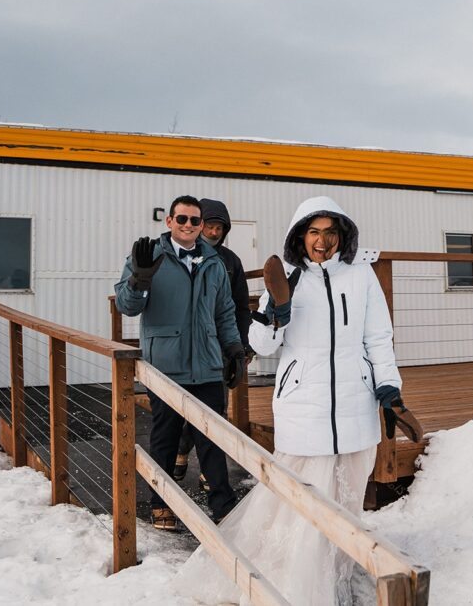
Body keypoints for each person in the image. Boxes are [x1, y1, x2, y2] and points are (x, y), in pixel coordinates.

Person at [178, 196, 421, 605]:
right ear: (300, 236)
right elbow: (260, 344)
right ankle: (299, 586)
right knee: (303, 502)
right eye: (313, 232)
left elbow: (378, 337)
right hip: (302, 403)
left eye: (330, 232)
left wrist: (388, 387)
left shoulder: (361, 276)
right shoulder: (286, 276)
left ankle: (338, 575)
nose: (322, 241)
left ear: (342, 235)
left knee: (346, 500)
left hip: (354, 403)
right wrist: (276, 312)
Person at [114, 195, 246, 530]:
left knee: (213, 438)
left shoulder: (214, 262)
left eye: (195, 221)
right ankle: (162, 504)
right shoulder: (149, 256)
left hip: (206, 364)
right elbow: (127, 307)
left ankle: (224, 507)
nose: (188, 225)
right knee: (166, 438)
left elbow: (225, 311)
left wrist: (232, 348)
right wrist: (139, 279)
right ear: (169, 221)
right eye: (182, 219)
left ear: (201, 226)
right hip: (167, 365)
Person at [173, 198, 253, 484]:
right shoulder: (181, 255)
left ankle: (211, 472)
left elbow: (241, 306)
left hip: (221, 348)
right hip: (187, 346)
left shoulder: (231, 262)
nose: (214, 232)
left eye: (220, 227)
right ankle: (181, 449)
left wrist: (243, 344)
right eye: (209, 224)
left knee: (217, 409)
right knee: (185, 406)